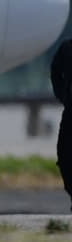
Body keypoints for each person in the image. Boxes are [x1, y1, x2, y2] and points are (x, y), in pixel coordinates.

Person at [53, 39, 72, 211]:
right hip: (71, 112)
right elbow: (55, 71)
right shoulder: (67, 48)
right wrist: (63, 96)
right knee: (65, 154)